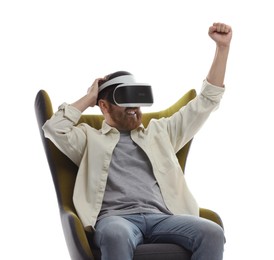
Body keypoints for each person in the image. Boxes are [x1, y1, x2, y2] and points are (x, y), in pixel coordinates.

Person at [43, 22, 232, 260]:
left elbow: (206, 102)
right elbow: (53, 128)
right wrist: (89, 97)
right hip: (116, 220)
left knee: (212, 232)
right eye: (124, 98)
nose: (134, 107)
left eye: (137, 98)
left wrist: (222, 48)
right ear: (104, 106)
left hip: (164, 218)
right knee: (116, 235)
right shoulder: (88, 138)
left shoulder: (161, 132)